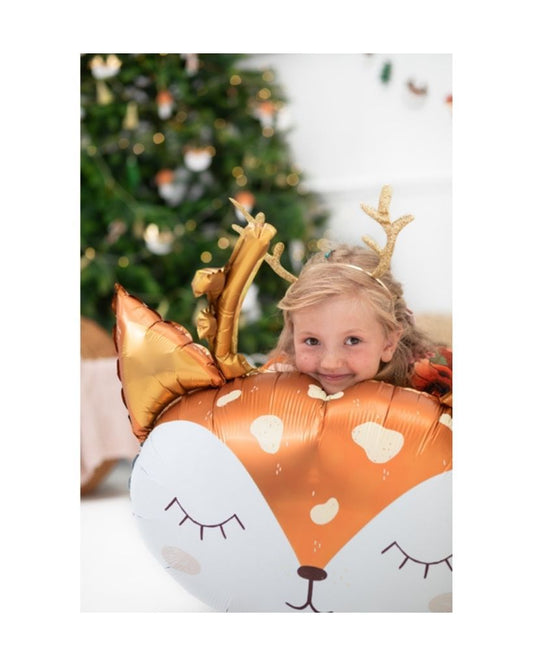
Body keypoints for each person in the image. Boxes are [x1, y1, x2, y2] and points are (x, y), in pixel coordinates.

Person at [266, 243, 452, 398]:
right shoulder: (277, 380)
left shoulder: (439, 386)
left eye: (352, 340)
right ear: (293, 334)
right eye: (312, 341)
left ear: (389, 342)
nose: (330, 363)